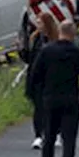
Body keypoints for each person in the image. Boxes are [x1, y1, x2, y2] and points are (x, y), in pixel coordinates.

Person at [26, 19, 79, 157]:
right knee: (69, 139)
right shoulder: (78, 53)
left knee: (49, 137)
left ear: (60, 31)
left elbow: (35, 74)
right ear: (73, 34)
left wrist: (38, 95)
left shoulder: (47, 51)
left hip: (50, 100)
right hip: (70, 100)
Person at [21, 12, 60, 150]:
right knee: (38, 108)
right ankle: (38, 136)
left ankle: (55, 133)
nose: (38, 25)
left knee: (52, 108)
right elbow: (29, 59)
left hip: (51, 79)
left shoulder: (55, 40)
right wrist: (22, 50)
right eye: (37, 22)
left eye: (40, 22)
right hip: (36, 79)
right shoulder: (35, 38)